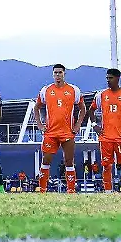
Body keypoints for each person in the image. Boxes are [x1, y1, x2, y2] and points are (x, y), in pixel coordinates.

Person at [36, 64, 86, 193]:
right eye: (55, 73)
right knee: (46, 160)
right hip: (50, 133)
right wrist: (40, 124)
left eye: (60, 73)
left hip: (67, 132)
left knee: (69, 161)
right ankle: (42, 190)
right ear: (53, 74)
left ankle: (70, 191)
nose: (57, 75)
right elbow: (36, 107)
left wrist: (78, 124)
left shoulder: (73, 90)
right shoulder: (45, 90)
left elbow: (82, 109)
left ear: (64, 74)